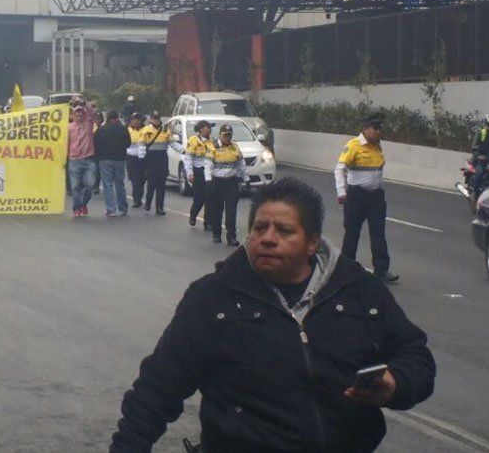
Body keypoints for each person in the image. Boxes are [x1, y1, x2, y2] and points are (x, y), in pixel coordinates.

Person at [110, 177, 435, 453]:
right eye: (259, 228)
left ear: (312, 243)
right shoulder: (213, 298)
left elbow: (415, 354)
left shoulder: (358, 289)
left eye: (283, 230)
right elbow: (156, 390)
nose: (267, 238)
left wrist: (396, 384)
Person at [335, 113, 397, 283]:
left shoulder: (377, 146)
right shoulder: (353, 146)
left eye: (380, 129)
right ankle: (346, 269)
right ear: (366, 129)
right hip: (357, 197)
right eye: (376, 129)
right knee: (352, 234)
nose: (379, 132)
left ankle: (381, 270)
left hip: (376, 197)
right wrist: (341, 192)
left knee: (378, 233)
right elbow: (339, 169)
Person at [206, 124, 246, 245]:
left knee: (231, 211)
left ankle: (231, 237)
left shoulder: (235, 148)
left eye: (229, 135)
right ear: (220, 135)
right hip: (217, 182)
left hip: (231, 183)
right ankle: (216, 235)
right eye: (225, 135)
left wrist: (245, 178)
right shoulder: (213, 147)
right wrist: (208, 180)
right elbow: (207, 165)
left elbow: (241, 164)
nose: (227, 138)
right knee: (217, 210)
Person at [94, 110, 132, 217]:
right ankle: (123, 208)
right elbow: (128, 143)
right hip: (120, 159)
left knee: (107, 184)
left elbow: (95, 143)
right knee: (120, 184)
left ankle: (111, 209)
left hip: (105, 159)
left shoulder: (101, 130)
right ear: (117, 118)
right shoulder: (123, 129)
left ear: (107, 118)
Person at [67, 98, 97, 217]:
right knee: (75, 187)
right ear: (73, 115)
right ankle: (76, 208)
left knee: (90, 185)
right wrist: (65, 158)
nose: (79, 116)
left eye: (81, 114)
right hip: (74, 159)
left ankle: (83, 203)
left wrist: (83, 102)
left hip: (88, 158)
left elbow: (92, 111)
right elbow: (67, 143)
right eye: (77, 114)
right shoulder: (69, 127)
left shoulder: (88, 124)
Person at [184, 120, 215, 230]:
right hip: (198, 172)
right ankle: (193, 215)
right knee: (199, 199)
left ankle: (208, 222)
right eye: (207, 127)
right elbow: (188, 159)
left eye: (210, 128)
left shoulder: (213, 142)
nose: (209, 130)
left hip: (210, 173)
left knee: (210, 198)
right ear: (201, 129)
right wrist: (190, 174)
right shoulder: (193, 141)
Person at [141, 112, 170, 216]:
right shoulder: (145, 130)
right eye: (154, 119)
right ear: (151, 119)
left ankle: (159, 207)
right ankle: (148, 202)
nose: (156, 121)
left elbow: (171, 142)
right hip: (151, 158)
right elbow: (141, 144)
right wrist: (141, 157)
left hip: (162, 157)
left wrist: (182, 151)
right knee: (151, 183)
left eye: (157, 119)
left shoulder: (165, 129)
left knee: (161, 184)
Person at [126, 113, 148, 209]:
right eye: (134, 119)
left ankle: (139, 196)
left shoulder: (146, 130)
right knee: (134, 180)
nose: (136, 121)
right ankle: (136, 199)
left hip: (143, 158)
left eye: (138, 119)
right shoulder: (127, 130)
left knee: (142, 179)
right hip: (131, 158)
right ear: (131, 121)